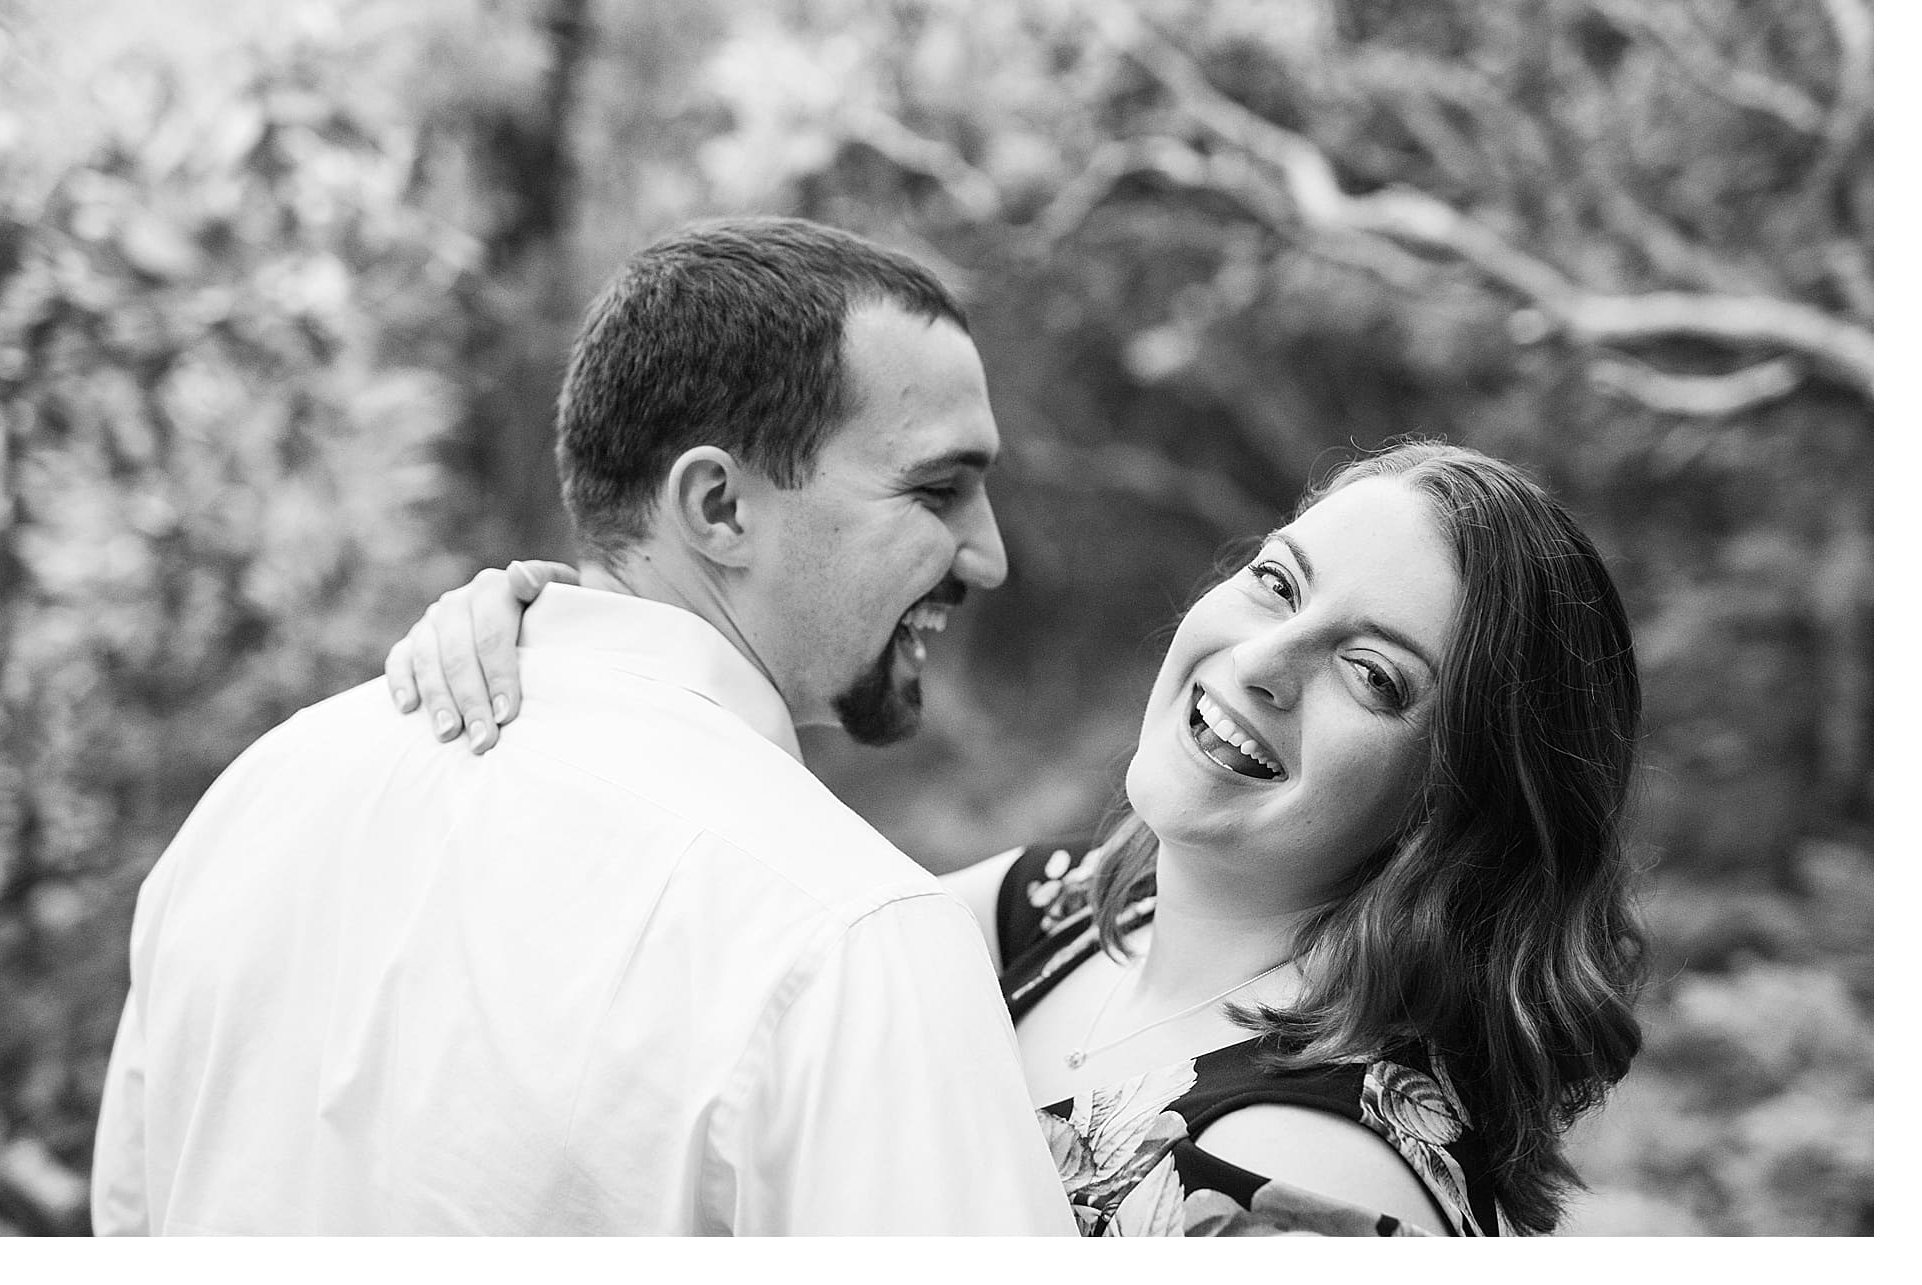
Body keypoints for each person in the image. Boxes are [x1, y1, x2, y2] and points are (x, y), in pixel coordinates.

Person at [90, 217, 1078, 1235]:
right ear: (718, 506)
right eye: (938, 489)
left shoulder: (259, 797)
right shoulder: (848, 940)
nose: (987, 555)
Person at [389, 439, 1647, 1236]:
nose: (1264, 662)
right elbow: (706, 988)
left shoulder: (1301, 1178)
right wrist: (590, 642)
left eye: (1370, 675)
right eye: (1276, 581)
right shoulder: (1043, 914)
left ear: (1458, 804)